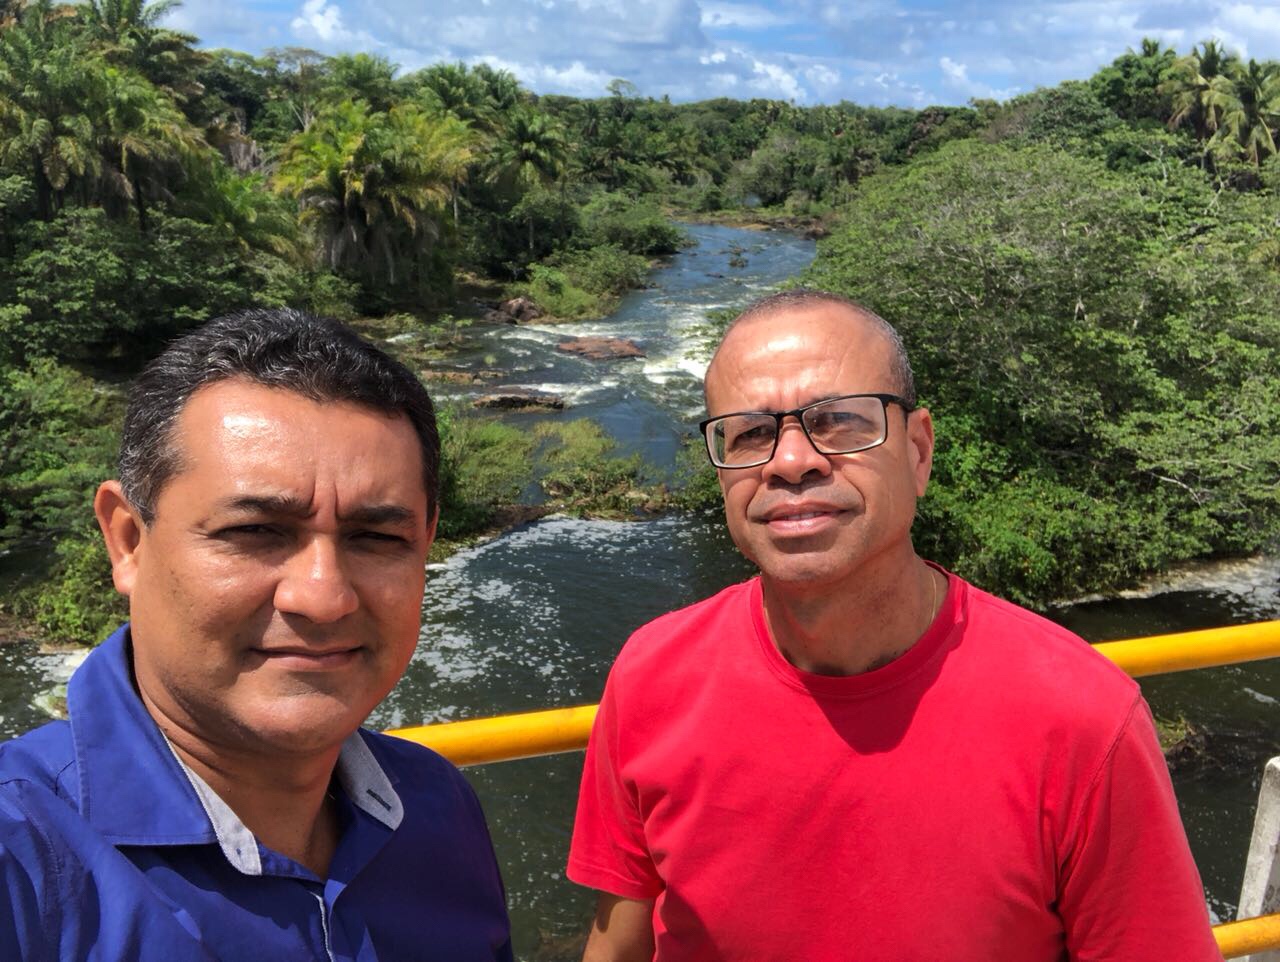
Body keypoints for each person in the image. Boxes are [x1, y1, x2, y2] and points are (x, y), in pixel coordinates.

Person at [567, 290, 1221, 961]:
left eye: (839, 421)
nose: (792, 462)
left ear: (918, 452)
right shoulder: (651, 675)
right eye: (751, 432)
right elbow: (618, 942)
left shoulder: (1080, 717)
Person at [0, 309, 514, 960]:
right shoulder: (20, 865)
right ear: (128, 541)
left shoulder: (437, 808)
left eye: (378, 539)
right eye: (254, 532)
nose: (324, 597)